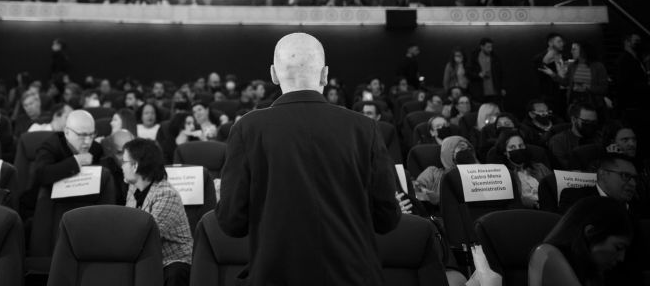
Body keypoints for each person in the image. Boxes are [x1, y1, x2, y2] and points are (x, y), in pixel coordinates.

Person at [216, 33, 400, 285]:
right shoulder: (364, 128)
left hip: (275, 276)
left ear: (273, 74)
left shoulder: (247, 129)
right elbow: (387, 220)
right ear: (325, 75)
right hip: (356, 276)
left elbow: (231, 223)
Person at [122, 138, 192, 286]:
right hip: (147, 258)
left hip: (172, 262)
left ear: (135, 166)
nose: (122, 166)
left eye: (124, 162)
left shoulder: (166, 195)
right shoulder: (133, 188)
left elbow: (147, 236)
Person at [529, 197, 633, 286]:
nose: (621, 258)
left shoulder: (590, 270)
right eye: (618, 247)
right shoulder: (546, 252)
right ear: (590, 232)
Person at [413, 135, 476, 206]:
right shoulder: (433, 172)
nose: (465, 151)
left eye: (468, 149)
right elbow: (417, 190)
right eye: (461, 148)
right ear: (448, 152)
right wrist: (434, 196)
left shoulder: (477, 172)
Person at [495, 129, 551, 209]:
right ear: (505, 152)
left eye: (521, 146)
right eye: (512, 147)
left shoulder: (540, 167)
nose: (518, 149)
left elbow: (554, 187)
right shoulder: (504, 176)